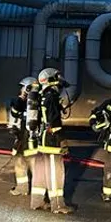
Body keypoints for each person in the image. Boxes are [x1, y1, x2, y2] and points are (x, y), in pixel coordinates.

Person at [31, 68, 72, 214]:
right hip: (51, 140)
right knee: (56, 171)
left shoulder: (42, 95)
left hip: (41, 138)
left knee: (41, 170)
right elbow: (53, 121)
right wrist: (62, 140)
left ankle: (37, 201)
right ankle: (58, 205)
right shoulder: (52, 96)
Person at [7, 76, 38, 196]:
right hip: (25, 137)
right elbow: (15, 112)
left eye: (22, 88)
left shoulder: (30, 102)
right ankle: (24, 188)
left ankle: (25, 189)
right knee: (23, 163)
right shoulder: (29, 102)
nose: (20, 90)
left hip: (28, 138)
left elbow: (16, 111)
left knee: (27, 163)